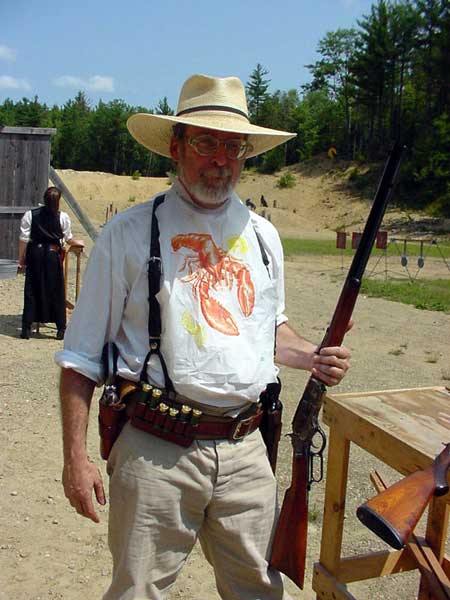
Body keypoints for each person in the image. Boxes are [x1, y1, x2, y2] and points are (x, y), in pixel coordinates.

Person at [55, 74, 351, 600]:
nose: (222, 159)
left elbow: (268, 331)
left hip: (246, 452)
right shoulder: (127, 235)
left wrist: (312, 355)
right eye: (206, 142)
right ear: (176, 147)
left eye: (234, 146)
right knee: (136, 592)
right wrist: (75, 459)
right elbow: (78, 360)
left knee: (260, 592)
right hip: (154, 450)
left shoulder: (263, 237)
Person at [18, 186, 84, 340]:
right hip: (52, 255)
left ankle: (26, 328)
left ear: (44, 199)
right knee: (55, 290)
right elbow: (67, 238)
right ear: (58, 201)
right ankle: (61, 329)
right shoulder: (63, 217)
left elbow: (23, 239)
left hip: (35, 253)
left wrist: (21, 258)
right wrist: (78, 242)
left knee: (32, 288)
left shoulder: (31, 215)